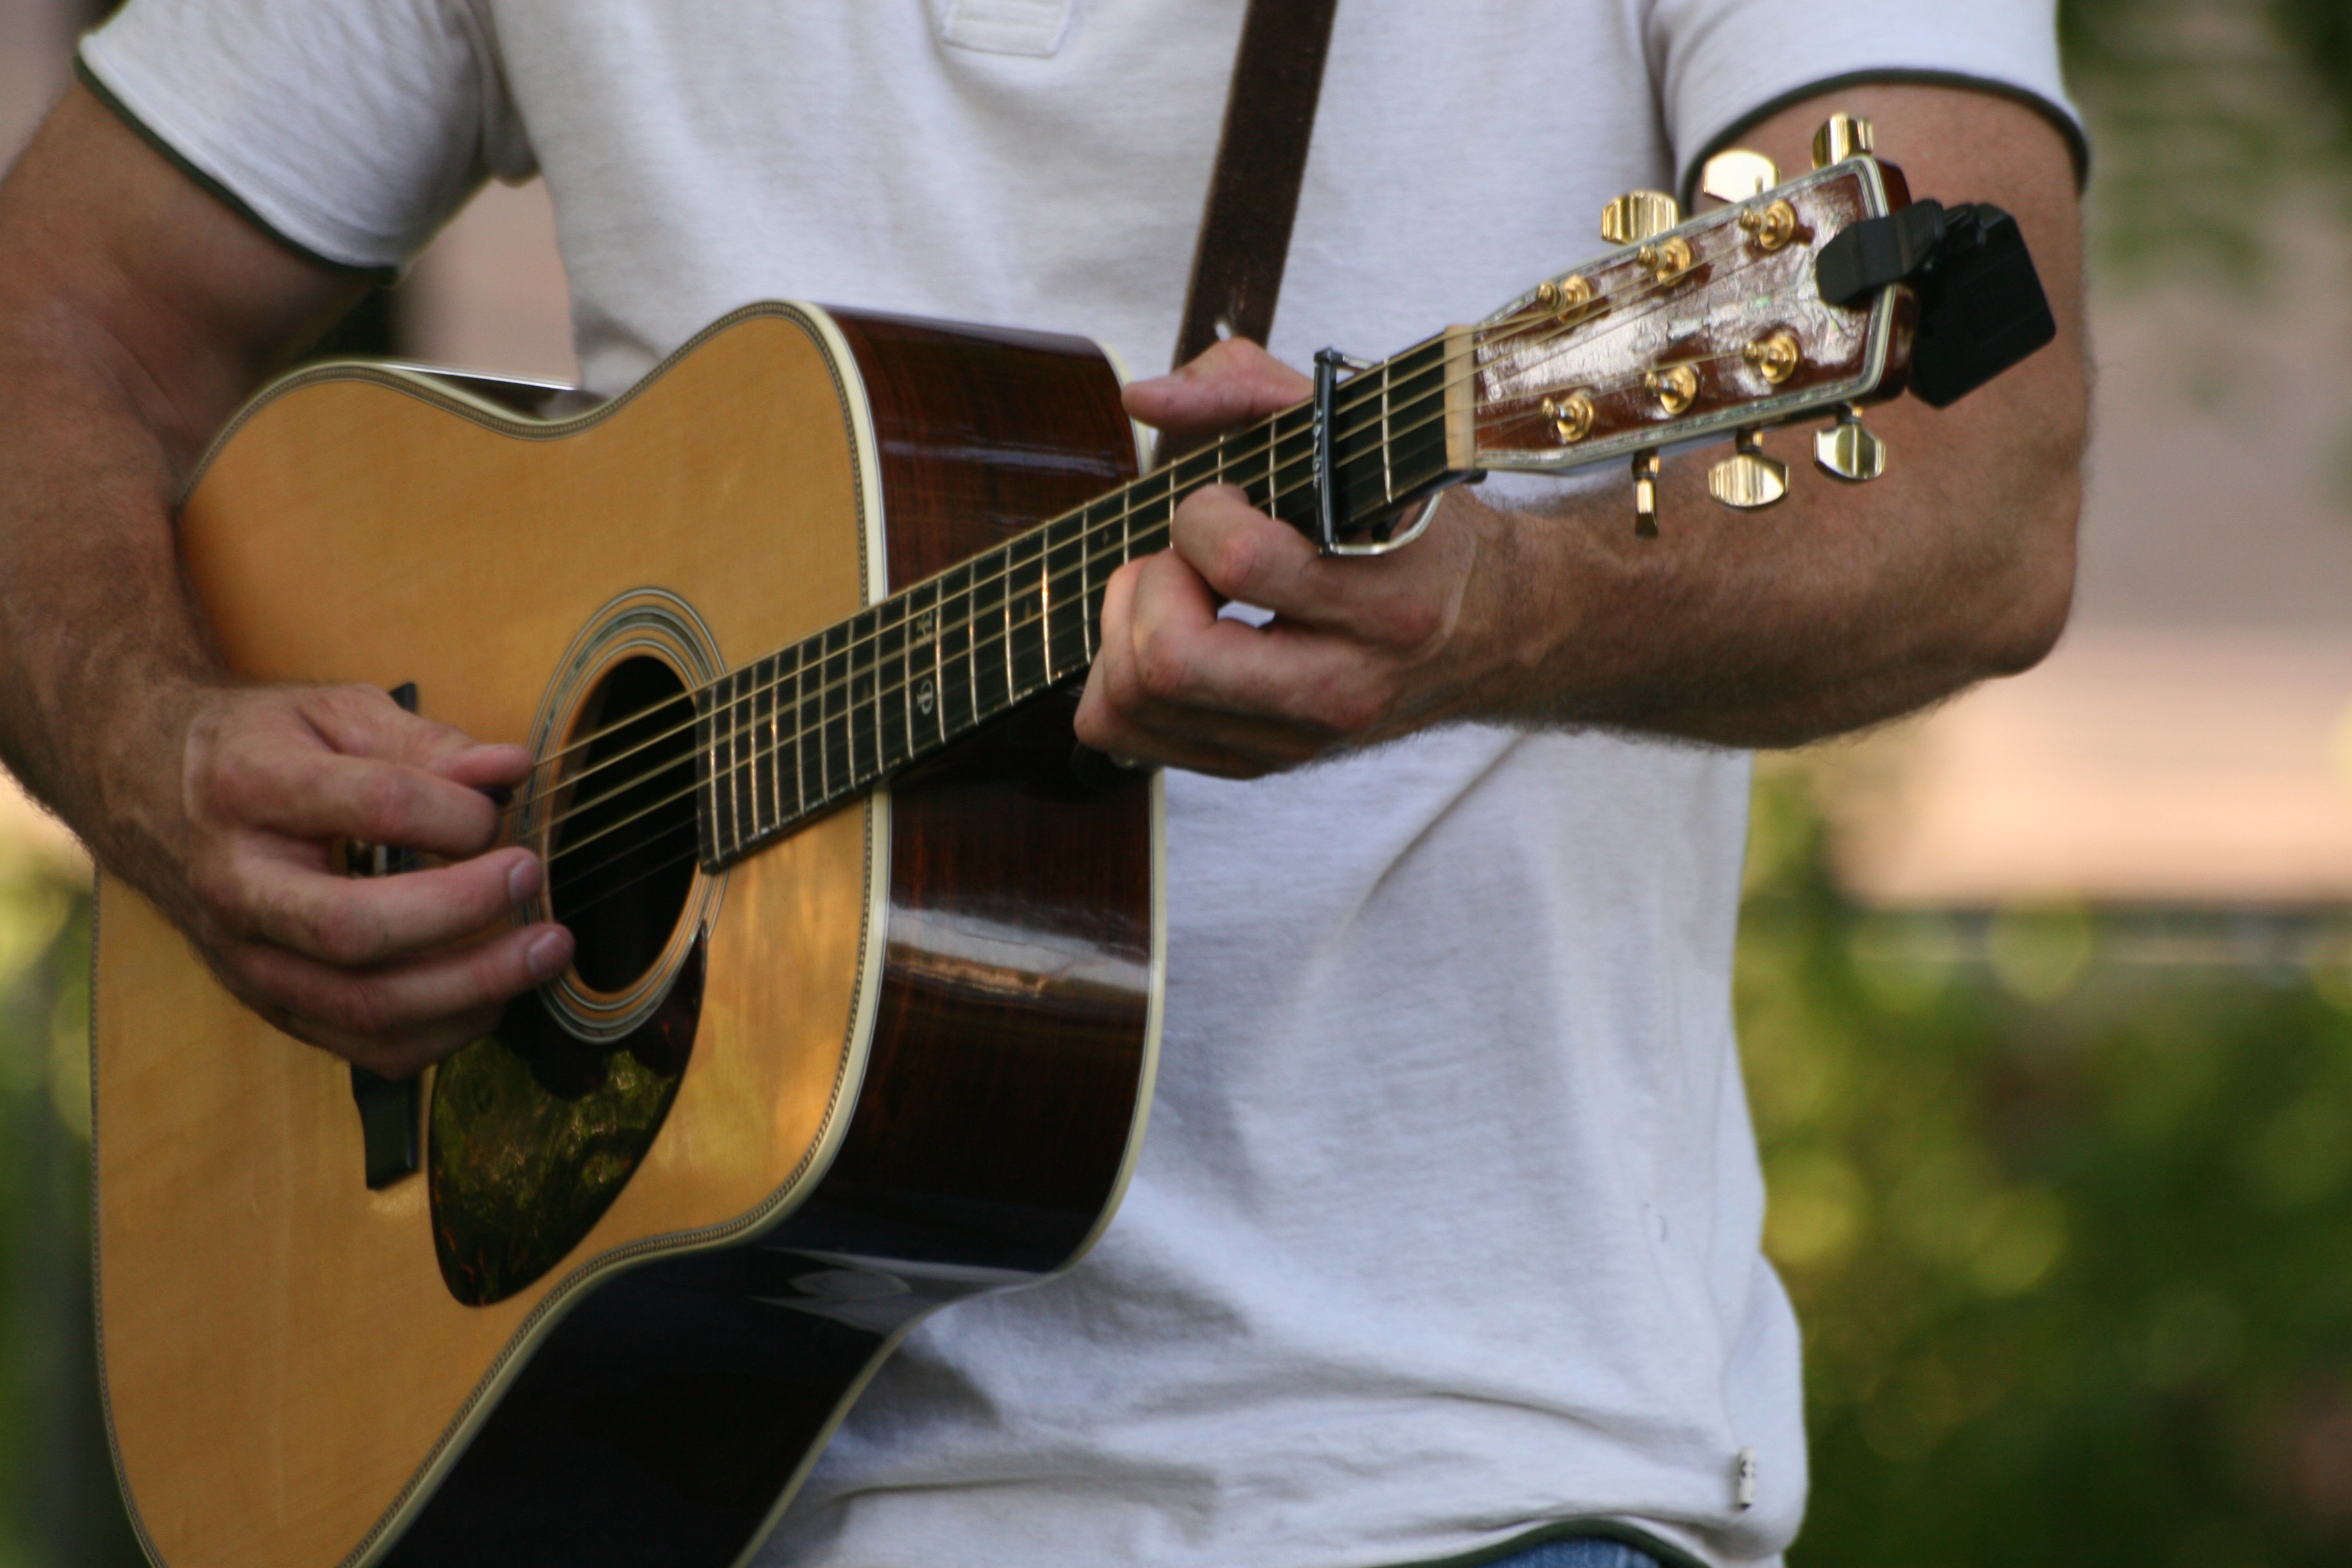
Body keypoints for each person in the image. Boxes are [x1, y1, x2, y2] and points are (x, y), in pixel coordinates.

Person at [0, 3, 2087, 1565]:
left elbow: (1982, 500)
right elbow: (51, 318)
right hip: (620, 1485)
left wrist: (1502, 608)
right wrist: (145, 747)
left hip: (1444, 1480)